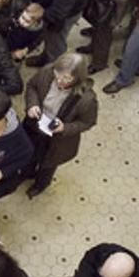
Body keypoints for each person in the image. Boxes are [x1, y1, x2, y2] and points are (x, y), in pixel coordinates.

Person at [21, 52, 98, 197]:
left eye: (66, 78)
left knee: (47, 165)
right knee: (29, 152)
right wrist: (32, 104)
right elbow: (32, 86)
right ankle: (27, 173)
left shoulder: (87, 99)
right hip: (35, 124)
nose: (59, 81)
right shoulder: (47, 72)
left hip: (57, 139)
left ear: (77, 78)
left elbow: (88, 122)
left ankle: (40, 185)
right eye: (58, 75)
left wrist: (65, 128)